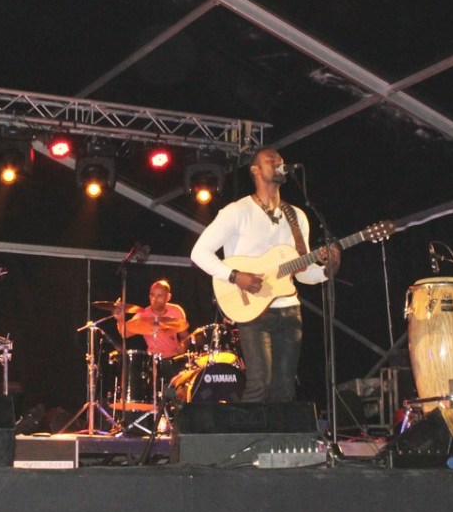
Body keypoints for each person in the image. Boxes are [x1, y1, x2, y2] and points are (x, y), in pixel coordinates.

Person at [190, 147, 339, 402]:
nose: (279, 162)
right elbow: (199, 252)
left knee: (285, 389)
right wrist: (235, 276)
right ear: (255, 170)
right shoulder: (237, 211)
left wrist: (328, 269)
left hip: (290, 311)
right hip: (253, 311)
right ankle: (249, 430)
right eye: (271, 159)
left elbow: (302, 273)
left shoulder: (297, 216)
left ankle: (277, 431)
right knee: (260, 384)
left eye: (280, 159)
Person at [116, 279, 189, 359]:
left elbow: (184, 336)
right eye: (152, 295)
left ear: (168, 297)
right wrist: (120, 319)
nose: (154, 298)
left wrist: (183, 346)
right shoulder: (143, 315)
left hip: (175, 358)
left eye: (159, 295)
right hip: (154, 359)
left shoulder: (176, 310)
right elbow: (124, 333)